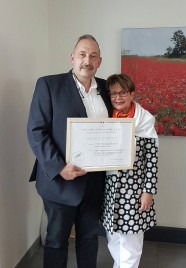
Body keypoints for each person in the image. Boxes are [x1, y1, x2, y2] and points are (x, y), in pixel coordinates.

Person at [27, 34, 112, 268]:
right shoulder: (48, 84)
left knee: (89, 238)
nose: (88, 60)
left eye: (93, 56)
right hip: (60, 181)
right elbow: (36, 131)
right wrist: (59, 167)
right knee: (56, 241)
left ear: (100, 61)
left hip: (95, 181)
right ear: (72, 57)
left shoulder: (107, 88)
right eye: (83, 54)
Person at [101, 73, 158, 268]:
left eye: (123, 93)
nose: (117, 98)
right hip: (109, 188)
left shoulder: (145, 120)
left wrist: (148, 191)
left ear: (132, 94)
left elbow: (152, 159)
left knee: (131, 242)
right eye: (113, 93)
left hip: (134, 190)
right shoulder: (104, 118)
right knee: (113, 237)